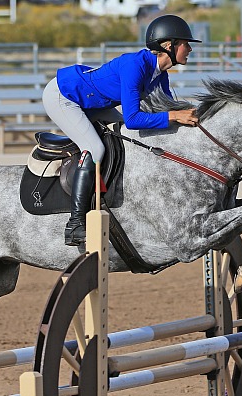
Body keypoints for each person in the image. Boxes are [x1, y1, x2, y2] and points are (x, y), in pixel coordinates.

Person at [42, 14, 201, 246]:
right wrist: (175, 115)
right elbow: (134, 118)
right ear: (169, 46)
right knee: (94, 148)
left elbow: (164, 113)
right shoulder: (134, 66)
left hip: (94, 101)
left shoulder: (160, 76)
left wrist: (192, 115)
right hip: (64, 95)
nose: (189, 49)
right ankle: (75, 224)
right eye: (185, 44)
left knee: (126, 137)